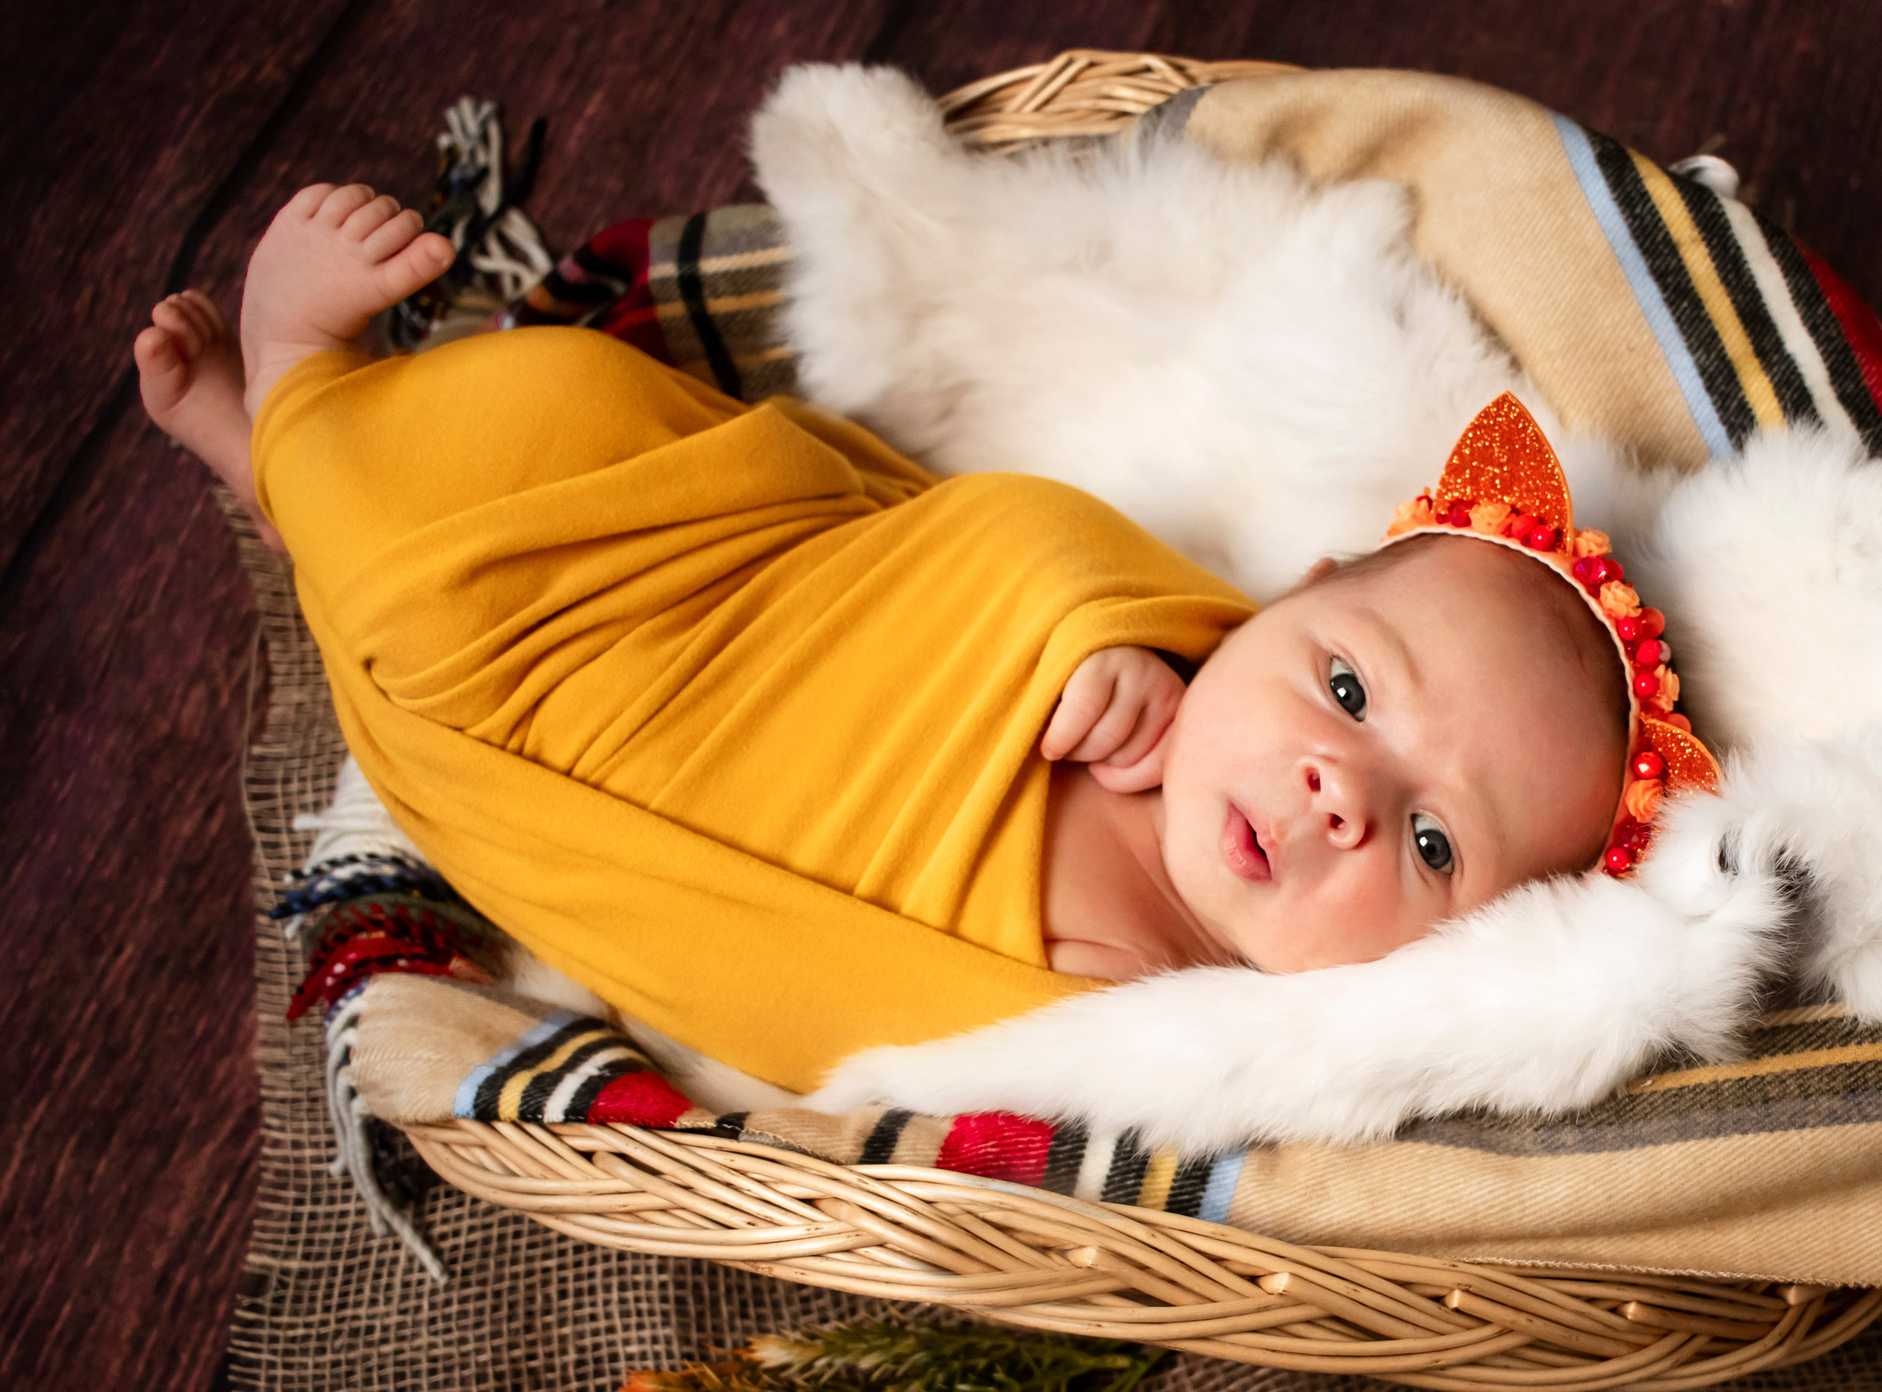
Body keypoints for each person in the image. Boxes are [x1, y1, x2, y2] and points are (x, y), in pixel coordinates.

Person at [137, 182, 1672, 1096]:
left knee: (410, 605)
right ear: (1292, 590)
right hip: (696, 572)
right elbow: (964, 546)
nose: (1341, 788)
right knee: (531, 420)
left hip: (602, 762)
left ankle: (287, 448)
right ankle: (303, 387)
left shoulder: (1208, 1057)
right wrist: (1080, 636)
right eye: (1344, 686)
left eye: (1428, 848)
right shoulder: (1153, 637)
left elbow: (868, 1051)